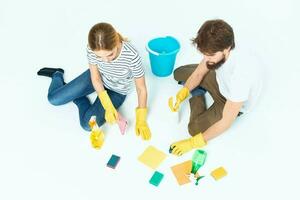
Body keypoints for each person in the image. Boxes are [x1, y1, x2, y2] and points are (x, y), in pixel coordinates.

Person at [37, 22, 151, 140]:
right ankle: (57, 74)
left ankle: (80, 99)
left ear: (117, 42)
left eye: (110, 54)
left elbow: (141, 88)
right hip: (96, 79)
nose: (105, 61)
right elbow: (95, 78)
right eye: (99, 57)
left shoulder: (131, 55)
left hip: (117, 91)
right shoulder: (92, 49)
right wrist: (106, 104)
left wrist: (141, 118)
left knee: (87, 125)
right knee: (53, 99)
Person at [169, 19, 263, 156]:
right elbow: (199, 72)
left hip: (230, 102)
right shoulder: (217, 52)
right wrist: (184, 92)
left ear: (227, 49)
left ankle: (198, 94)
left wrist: (192, 143)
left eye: (210, 55)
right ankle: (196, 89)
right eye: (204, 54)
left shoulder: (242, 75)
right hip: (220, 81)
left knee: (194, 130)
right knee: (179, 73)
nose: (206, 59)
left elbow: (226, 121)